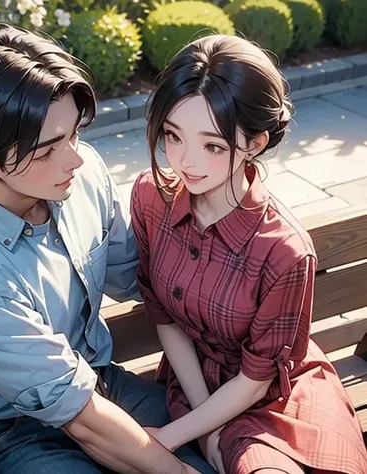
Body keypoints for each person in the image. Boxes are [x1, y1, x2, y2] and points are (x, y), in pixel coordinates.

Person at [0, 23, 215, 474]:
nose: (76, 157)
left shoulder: (81, 172)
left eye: (74, 133)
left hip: (103, 382)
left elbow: (139, 278)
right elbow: (82, 420)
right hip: (20, 430)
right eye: (49, 148)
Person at [130, 34, 367, 474]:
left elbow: (257, 380)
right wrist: (206, 427)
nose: (185, 161)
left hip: (279, 398)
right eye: (173, 136)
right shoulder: (151, 196)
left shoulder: (285, 251)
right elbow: (164, 315)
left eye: (213, 146)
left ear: (255, 144)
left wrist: (180, 434)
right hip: (196, 385)